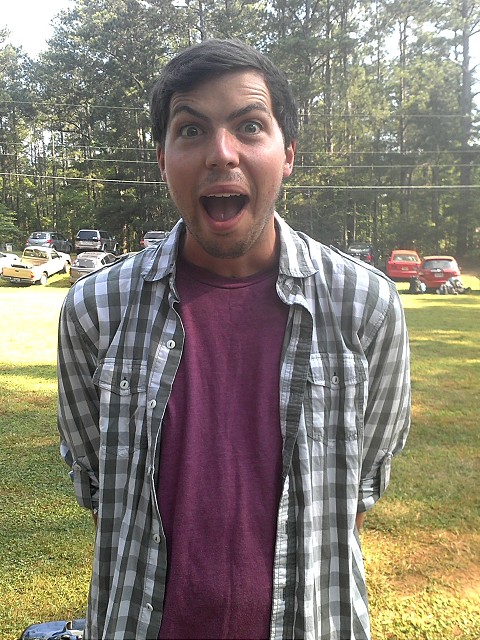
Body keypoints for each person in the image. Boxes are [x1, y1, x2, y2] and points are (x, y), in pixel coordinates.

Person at [57, 39, 411, 640]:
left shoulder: (366, 308)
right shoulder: (95, 311)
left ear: (287, 153)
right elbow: (102, 492)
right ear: (163, 159)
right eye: (191, 130)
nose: (222, 153)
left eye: (249, 125)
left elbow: (358, 490)